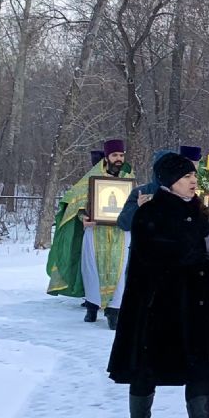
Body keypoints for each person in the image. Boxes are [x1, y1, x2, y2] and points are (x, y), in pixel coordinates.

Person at [107, 152, 209, 418]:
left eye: (193, 176)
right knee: (147, 368)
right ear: (169, 182)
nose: (194, 181)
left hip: (196, 304)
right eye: (186, 177)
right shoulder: (150, 213)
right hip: (159, 306)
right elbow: (154, 256)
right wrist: (195, 250)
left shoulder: (200, 210)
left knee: (200, 368)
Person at [46, 139, 133, 328]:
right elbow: (75, 201)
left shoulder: (128, 177)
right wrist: (83, 216)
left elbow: (134, 201)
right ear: (107, 156)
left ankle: (113, 312)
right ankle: (92, 307)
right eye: (115, 155)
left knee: (119, 272)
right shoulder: (92, 177)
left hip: (120, 233)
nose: (118, 159)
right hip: (95, 231)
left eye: (121, 155)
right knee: (93, 270)